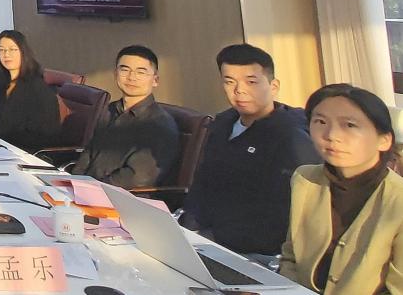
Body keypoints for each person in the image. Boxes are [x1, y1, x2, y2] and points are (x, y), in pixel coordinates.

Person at [181, 44, 321, 257]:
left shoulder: (290, 135)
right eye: (229, 82)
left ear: (273, 86)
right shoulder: (222, 123)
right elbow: (203, 183)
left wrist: (213, 237)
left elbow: (284, 213)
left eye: (251, 82)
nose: (239, 90)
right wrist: (188, 226)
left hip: (255, 250)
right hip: (206, 239)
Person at [279, 84, 403, 294]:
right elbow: (291, 257)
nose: (332, 135)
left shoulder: (398, 200)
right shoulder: (305, 179)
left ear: (384, 140)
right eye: (320, 122)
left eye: (350, 125)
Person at [69, 45, 180, 189]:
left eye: (141, 72)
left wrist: (91, 189)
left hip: (122, 196)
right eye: (125, 70)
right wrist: (74, 183)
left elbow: (138, 178)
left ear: (155, 80)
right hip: (87, 190)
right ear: (115, 74)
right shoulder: (109, 110)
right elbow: (88, 155)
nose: (131, 77)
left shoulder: (159, 124)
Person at [0, 30, 61, 152]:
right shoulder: (3, 83)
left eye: (12, 49)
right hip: (1, 146)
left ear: (23, 52)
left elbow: (43, 135)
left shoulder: (37, 88)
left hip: (26, 152)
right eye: (2, 50)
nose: (6, 54)